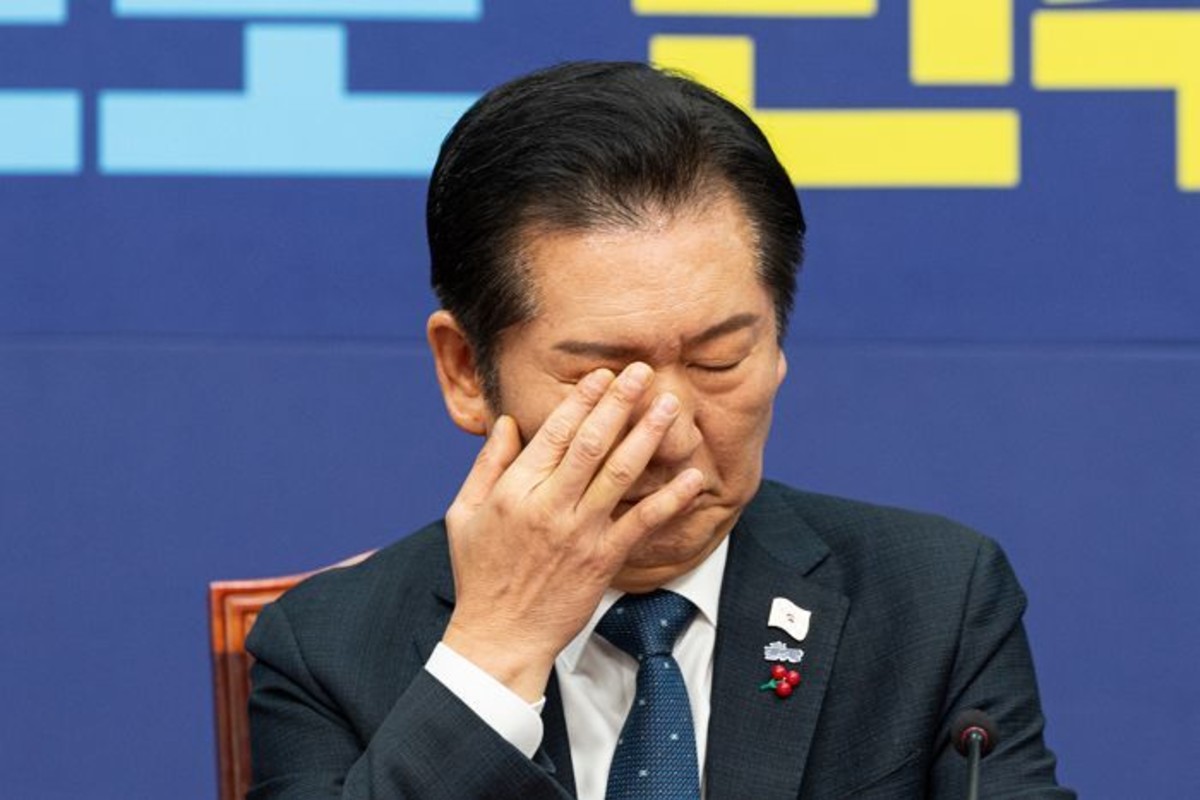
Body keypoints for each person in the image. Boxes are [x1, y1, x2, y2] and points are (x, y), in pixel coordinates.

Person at [246, 61, 1073, 799]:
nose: (671, 434)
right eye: (606, 374)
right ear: (466, 370)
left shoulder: (933, 600)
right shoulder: (327, 648)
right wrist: (495, 652)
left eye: (720, 360)